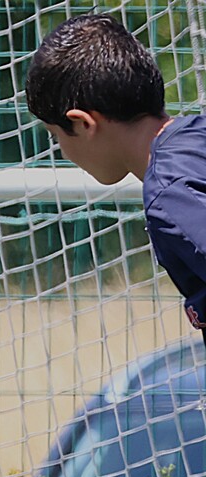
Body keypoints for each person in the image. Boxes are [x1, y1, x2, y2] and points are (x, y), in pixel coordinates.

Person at [27, 13, 206, 330]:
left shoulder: (171, 194)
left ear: (83, 123)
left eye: (55, 137)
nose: (62, 151)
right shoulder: (197, 135)